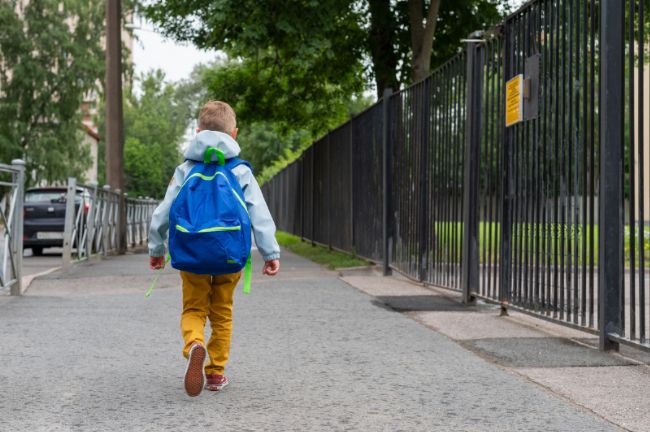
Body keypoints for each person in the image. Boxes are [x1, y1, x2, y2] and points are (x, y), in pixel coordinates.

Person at [148, 100, 281, 397]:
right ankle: (216, 373)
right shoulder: (240, 171)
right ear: (233, 134)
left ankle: (195, 344)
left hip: (191, 253)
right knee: (222, 313)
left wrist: (156, 248)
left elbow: (163, 211)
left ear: (197, 132)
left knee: (194, 308)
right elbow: (259, 213)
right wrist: (270, 253)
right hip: (229, 254)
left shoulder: (185, 169)